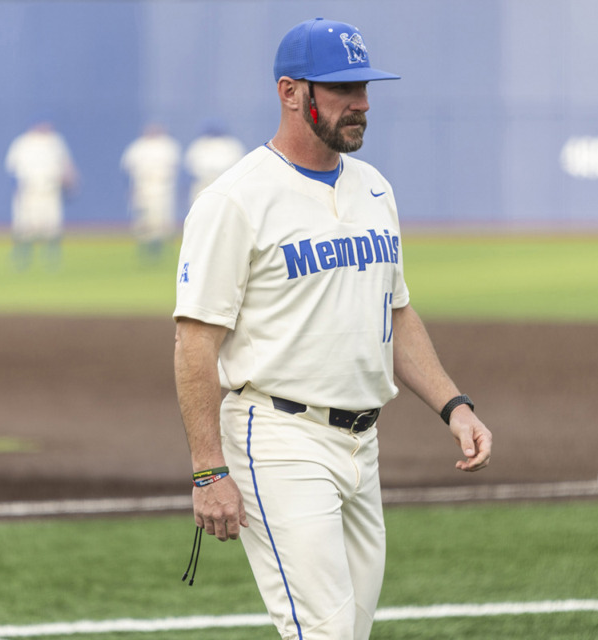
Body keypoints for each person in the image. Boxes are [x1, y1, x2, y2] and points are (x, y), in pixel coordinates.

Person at [173, 18, 493, 640]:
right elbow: (194, 342)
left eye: (365, 86)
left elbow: (395, 311)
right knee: (325, 633)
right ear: (291, 93)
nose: (363, 103)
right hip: (278, 438)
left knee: (351, 628)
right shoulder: (235, 199)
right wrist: (209, 470)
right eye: (343, 88)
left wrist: (454, 406)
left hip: (361, 443)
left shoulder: (374, 188)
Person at [4, 121, 77, 271]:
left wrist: (70, 183)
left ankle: (52, 261)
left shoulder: (55, 141)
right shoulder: (22, 143)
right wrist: (16, 187)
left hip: (50, 190)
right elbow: (12, 167)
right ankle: (21, 260)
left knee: (52, 226)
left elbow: (66, 165)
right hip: (29, 190)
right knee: (24, 227)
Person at [120, 123, 182, 264]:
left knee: (162, 220)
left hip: (163, 186)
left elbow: (176, 168)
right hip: (143, 185)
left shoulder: (168, 145)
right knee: (143, 221)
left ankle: (161, 252)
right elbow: (127, 169)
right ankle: (145, 252)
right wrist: (129, 188)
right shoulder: (138, 147)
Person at [182, 118, 245, 204]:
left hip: (225, 183)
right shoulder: (199, 144)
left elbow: (238, 163)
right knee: (199, 205)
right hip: (203, 182)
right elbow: (191, 164)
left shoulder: (231, 144)